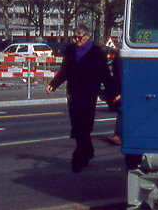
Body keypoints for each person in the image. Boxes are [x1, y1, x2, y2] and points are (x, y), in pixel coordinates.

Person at [46, 25, 117, 172]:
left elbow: (105, 75)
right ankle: (87, 151)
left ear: (87, 36)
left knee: (84, 126)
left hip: (89, 94)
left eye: (79, 37)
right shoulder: (70, 50)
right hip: (73, 93)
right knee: (78, 126)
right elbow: (65, 70)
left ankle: (79, 157)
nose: (77, 39)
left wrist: (113, 94)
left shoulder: (97, 53)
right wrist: (53, 84)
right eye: (75, 37)